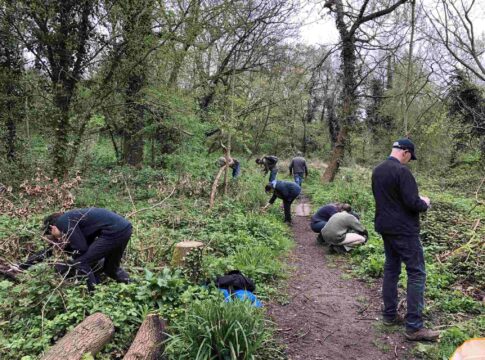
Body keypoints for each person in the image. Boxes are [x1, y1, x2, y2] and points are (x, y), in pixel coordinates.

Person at [372, 138, 439, 342]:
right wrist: (425, 202)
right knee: (417, 272)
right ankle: (414, 327)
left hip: (385, 228)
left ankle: (389, 316)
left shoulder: (378, 170)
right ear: (406, 152)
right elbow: (413, 203)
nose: (409, 161)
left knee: (392, 269)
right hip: (404, 231)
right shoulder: (402, 172)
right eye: (410, 157)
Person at [42, 208, 132, 291]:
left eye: (53, 236)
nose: (58, 238)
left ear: (52, 228)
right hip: (125, 228)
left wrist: (69, 250)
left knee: (81, 262)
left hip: (113, 231)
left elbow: (81, 248)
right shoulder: (74, 219)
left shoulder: (62, 222)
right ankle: (133, 286)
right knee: (111, 269)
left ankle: (93, 296)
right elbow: (86, 244)